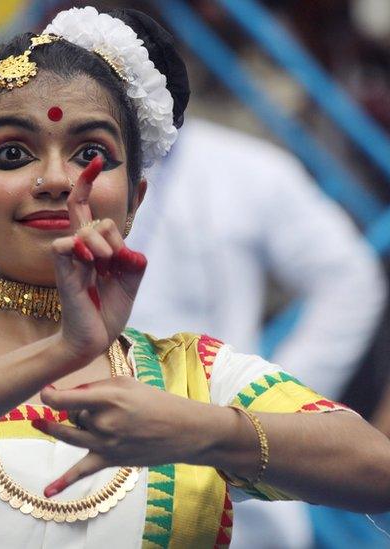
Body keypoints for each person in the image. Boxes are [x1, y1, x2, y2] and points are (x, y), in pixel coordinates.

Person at [0, 7, 390, 547]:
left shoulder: (192, 382)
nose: (54, 179)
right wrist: (64, 351)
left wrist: (200, 431)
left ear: (135, 200)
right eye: (12, 154)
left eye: (89, 153)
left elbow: (377, 474)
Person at [125, 118, 388, 548]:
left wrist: (274, 400)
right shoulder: (51, 181)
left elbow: (348, 277)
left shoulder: (246, 167)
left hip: (233, 488)